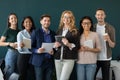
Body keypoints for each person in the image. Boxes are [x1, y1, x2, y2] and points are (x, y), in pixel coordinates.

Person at [53, 10, 80, 80]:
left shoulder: (75, 31)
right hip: (58, 58)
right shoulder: (59, 30)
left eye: (69, 17)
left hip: (69, 59)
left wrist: (68, 44)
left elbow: (77, 47)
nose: (66, 19)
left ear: (71, 19)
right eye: (65, 17)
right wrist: (55, 46)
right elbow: (55, 46)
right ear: (62, 18)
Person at [31, 14, 55, 80]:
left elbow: (55, 47)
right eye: (45, 20)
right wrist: (37, 50)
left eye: (48, 21)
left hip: (49, 62)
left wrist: (53, 51)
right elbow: (29, 47)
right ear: (41, 21)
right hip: (39, 62)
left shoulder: (53, 33)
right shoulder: (35, 32)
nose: (47, 22)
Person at [93, 8, 116, 80]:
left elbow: (113, 45)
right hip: (94, 58)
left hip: (106, 58)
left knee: (106, 78)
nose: (100, 16)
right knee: (91, 77)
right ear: (95, 16)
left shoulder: (111, 28)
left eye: (102, 14)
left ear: (105, 16)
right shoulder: (92, 28)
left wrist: (108, 39)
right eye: (98, 15)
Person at [76, 16, 101, 80]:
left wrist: (89, 49)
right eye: (84, 23)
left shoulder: (95, 35)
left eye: (88, 23)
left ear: (91, 24)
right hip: (80, 63)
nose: (86, 25)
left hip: (91, 63)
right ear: (82, 24)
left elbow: (99, 49)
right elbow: (74, 49)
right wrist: (80, 49)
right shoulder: (77, 35)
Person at [0, 13, 19, 80]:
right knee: (9, 72)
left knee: (17, 74)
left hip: (19, 53)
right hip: (11, 53)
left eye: (15, 18)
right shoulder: (7, 30)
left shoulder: (19, 31)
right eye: (12, 18)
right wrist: (9, 43)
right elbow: (0, 42)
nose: (14, 19)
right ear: (9, 21)